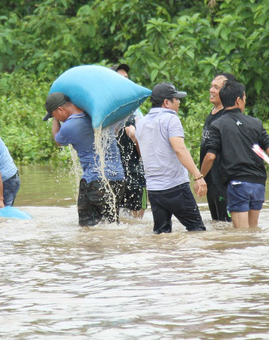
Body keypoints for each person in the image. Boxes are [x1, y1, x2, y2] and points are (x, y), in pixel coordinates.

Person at [202, 81, 269, 229]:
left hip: (237, 183)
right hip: (258, 183)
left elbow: (210, 156)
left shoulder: (218, 125)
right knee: (252, 230)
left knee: (241, 233)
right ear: (238, 100)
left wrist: (199, 177)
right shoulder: (256, 123)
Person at [132, 82, 207, 234]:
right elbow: (179, 149)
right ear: (166, 102)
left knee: (162, 234)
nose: (179, 102)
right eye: (176, 99)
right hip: (175, 187)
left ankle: (165, 258)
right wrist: (198, 176)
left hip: (154, 190)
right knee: (197, 230)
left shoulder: (142, 123)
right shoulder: (170, 119)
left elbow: (140, 147)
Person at [44, 92, 125, 226]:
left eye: (53, 115)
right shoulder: (100, 117)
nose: (54, 118)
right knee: (111, 225)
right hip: (118, 179)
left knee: (87, 229)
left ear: (60, 110)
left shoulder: (70, 126)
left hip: (95, 181)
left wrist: (55, 120)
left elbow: (58, 140)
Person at [199, 72, 237, 222]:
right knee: (217, 224)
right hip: (211, 182)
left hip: (222, 182)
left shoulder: (226, 118)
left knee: (227, 225)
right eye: (211, 86)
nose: (211, 90)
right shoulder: (213, 113)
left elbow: (212, 155)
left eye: (216, 87)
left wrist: (198, 177)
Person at [111, 62, 147, 218]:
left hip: (130, 174)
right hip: (124, 175)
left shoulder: (134, 108)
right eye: (121, 79)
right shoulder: (111, 112)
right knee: (134, 223)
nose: (126, 81)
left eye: (127, 78)